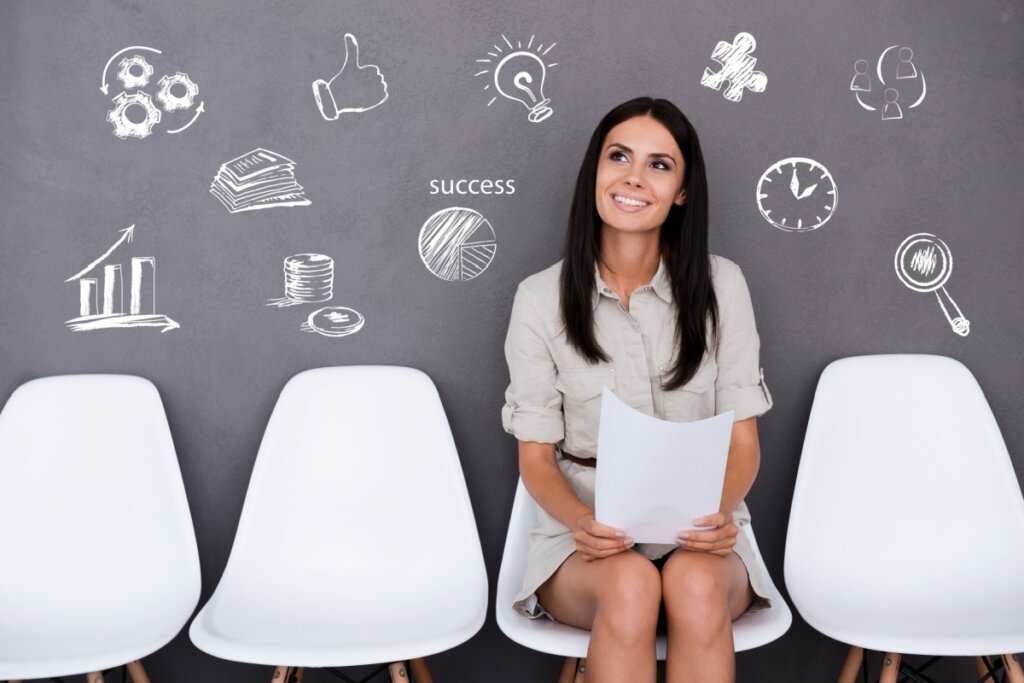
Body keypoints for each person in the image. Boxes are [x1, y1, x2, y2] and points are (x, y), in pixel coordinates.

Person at [501, 97, 773, 683]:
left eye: (659, 164)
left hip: (702, 524)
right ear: (595, 173)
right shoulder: (538, 300)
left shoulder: (723, 286)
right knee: (629, 582)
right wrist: (582, 524)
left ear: (681, 191)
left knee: (694, 581)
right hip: (584, 541)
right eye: (619, 156)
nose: (633, 177)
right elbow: (536, 458)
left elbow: (743, 444)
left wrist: (717, 517)